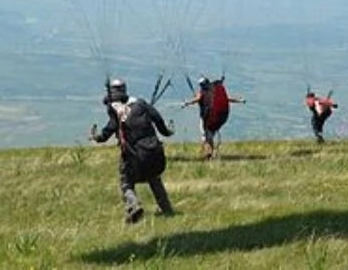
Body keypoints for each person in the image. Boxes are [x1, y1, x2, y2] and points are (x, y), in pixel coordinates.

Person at [90, 77, 175, 223]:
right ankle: (166, 209)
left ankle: (134, 206)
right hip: (153, 150)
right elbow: (158, 119)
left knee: (126, 182)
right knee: (154, 178)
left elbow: (110, 129)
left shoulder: (115, 110)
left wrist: (97, 137)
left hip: (133, 153)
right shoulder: (141, 104)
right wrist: (167, 132)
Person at [178, 76, 245, 159]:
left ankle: (208, 153)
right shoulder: (213, 92)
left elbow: (197, 99)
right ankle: (210, 153)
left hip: (206, 119)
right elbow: (227, 99)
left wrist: (186, 103)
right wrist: (239, 100)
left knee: (205, 136)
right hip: (213, 119)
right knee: (209, 137)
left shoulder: (203, 93)